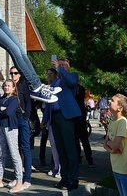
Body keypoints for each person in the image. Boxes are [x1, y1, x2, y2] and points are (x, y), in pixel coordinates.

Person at [43, 58, 82, 191]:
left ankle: (73, 179)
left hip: (66, 116)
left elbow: (72, 82)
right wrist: (45, 118)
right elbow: (49, 101)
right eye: (60, 65)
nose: (62, 67)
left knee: (70, 148)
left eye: (65, 65)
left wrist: (60, 68)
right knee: (61, 149)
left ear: (69, 67)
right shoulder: (55, 82)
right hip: (55, 117)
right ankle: (64, 177)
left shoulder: (71, 77)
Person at [0, 79, 24, 193]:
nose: (6, 87)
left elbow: (9, 112)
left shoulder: (14, 99)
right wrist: (0, 108)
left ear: (14, 88)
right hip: (0, 126)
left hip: (10, 128)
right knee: (1, 153)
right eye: (5, 86)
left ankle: (19, 180)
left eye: (9, 86)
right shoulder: (1, 99)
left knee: (14, 154)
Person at [103, 94, 127, 196]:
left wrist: (110, 145)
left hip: (125, 169)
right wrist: (111, 149)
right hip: (116, 167)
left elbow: (114, 145)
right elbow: (105, 144)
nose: (109, 101)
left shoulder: (122, 123)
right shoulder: (113, 122)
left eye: (112, 100)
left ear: (119, 108)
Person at [8, 67, 32, 190]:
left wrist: (26, 116)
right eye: (11, 73)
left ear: (20, 74)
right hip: (12, 119)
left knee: (25, 147)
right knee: (15, 149)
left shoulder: (23, 85)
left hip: (22, 118)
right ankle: (17, 176)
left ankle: (27, 178)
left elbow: (28, 101)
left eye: (15, 73)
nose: (13, 75)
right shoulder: (10, 86)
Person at [75, 83, 94, 167]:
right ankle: (81, 158)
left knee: (83, 140)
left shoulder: (80, 89)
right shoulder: (79, 88)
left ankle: (88, 158)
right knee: (78, 140)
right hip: (77, 117)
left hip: (80, 117)